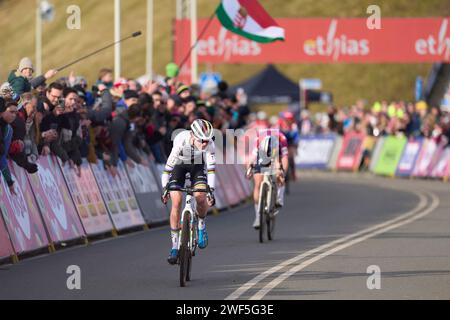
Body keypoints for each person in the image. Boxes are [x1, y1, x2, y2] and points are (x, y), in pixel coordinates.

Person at [161, 119, 216, 265]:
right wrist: (164, 188)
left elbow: (211, 170)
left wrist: (211, 191)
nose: (205, 144)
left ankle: (201, 225)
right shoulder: (180, 141)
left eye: (207, 141)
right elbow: (167, 170)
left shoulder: (210, 144)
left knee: (200, 196)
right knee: (176, 201)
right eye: (202, 141)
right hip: (179, 166)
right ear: (192, 135)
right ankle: (174, 246)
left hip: (197, 167)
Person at [246, 129, 289, 229]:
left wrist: (283, 172)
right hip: (262, 154)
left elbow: (284, 158)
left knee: (279, 173)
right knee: (258, 182)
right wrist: (249, 169)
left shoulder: (281, 138)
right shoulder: (258, 139)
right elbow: (252, 158)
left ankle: (279, 197)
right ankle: (258, 216)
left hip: (276, 155)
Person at [0, 98, 18, 195]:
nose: (14, 115)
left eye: (16, 113)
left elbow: (2, 158)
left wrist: (9, 182)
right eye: (11, 112)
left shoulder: (8, 130)